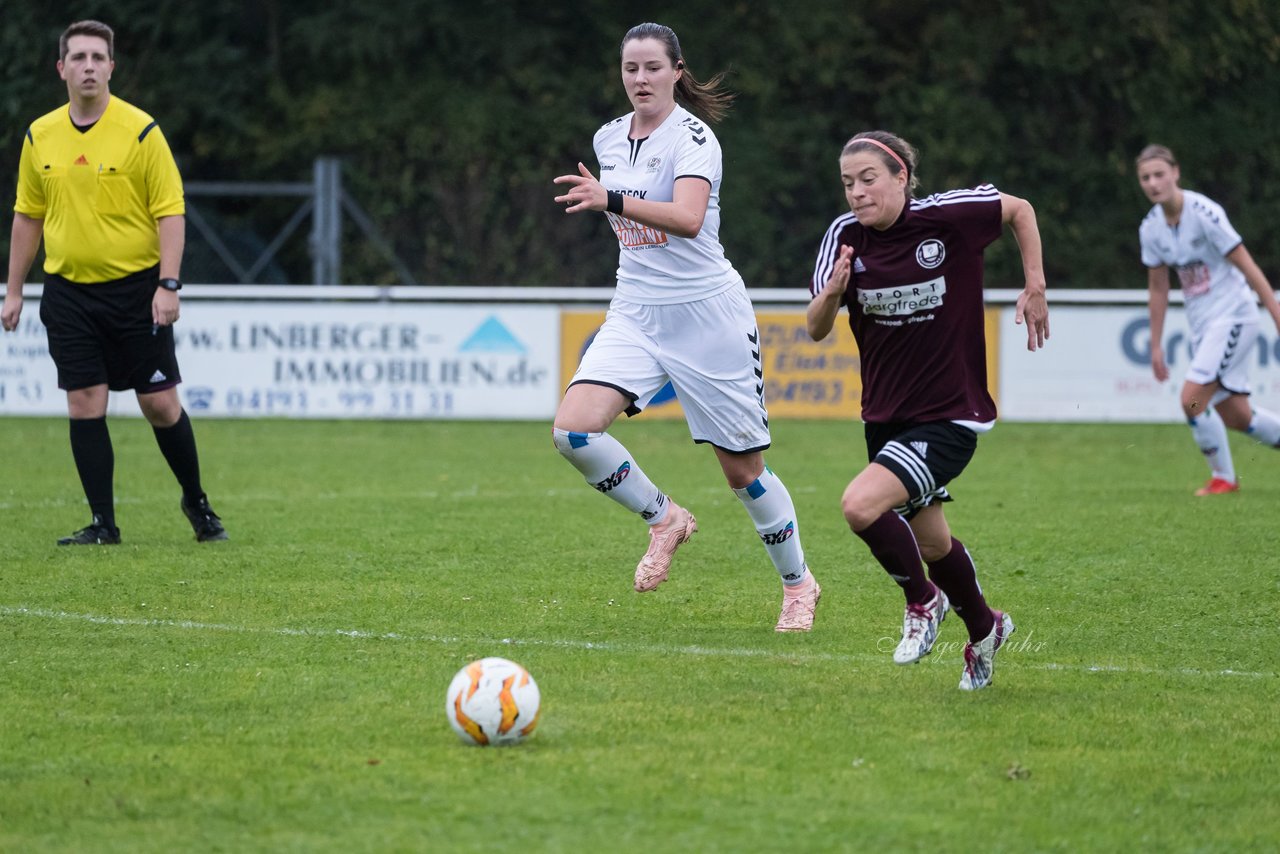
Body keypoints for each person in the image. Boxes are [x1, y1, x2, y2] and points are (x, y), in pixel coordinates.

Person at [551, 22, 820, 631]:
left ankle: (799, 584)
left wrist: (610, 200)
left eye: (652, 67)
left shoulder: (695, 138)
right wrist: (608, 197)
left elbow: (690, 219)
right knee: (573, 432)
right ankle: (665, 518)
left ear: (677, 71)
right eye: (630, 69)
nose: (640, 79)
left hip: (706, 315)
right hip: (636, 311)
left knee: (742, 471)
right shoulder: (608, 138)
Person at [807, 131, 1049, 689]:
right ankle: (987, 630)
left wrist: (1034, 283)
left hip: (949, 414)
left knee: (859, 506)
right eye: (848, 183)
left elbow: (1020, 210)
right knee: (934, 543)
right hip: (886, 418)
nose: (858, 193)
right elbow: (816, 330)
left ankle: (923, 602)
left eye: (869, 179)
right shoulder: (844, 239)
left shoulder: (949, 217)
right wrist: (832, 291)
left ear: (901, 178)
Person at [1, 20, 227, 545]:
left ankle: (196, 501)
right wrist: (14, 290)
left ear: (111, 67)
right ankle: (103, 524)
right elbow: (27, 216)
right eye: (77, 57)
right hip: (68, 293)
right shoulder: (40, 135)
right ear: (61, 69)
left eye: (98, 58)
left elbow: (170, 212)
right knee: (84, 401)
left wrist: (168, 284)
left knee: (160, 404)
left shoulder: (142, 130)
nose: (88, 66)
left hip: (136, 291)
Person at [1136, 144, 1280, 496]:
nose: (1153, 183)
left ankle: (1224, 479)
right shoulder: (1151, 228)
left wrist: (1276, 314)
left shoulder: (1205, 213)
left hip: (1234, 317)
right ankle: (1226, 477)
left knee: (1192, 401)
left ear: (1175, 173)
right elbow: (1158, 289)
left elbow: (1248, 267)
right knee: (1236, 416)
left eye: (1159, 174)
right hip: (1203, 326)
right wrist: (1155, 344)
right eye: (1145, 178)